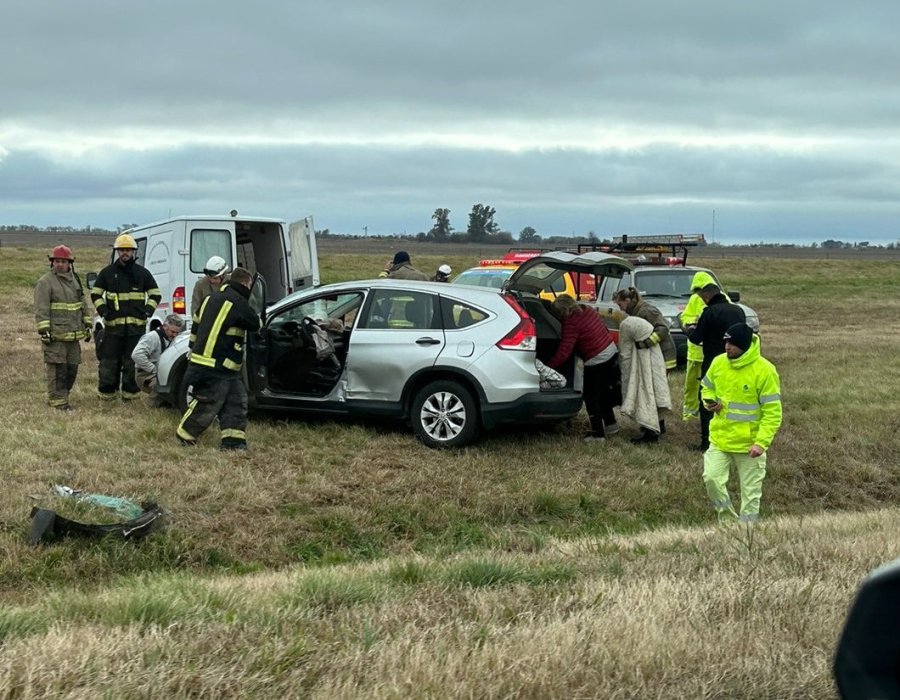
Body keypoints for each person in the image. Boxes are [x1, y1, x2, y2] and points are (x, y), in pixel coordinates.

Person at [700, 322, 782, 524]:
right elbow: (706, 387)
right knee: (711, 479)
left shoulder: (765, 371)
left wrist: (761, 443)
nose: (727, 347)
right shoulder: (718, 363)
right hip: (720, 440)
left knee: (750, 493)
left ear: (744, 346)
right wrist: (710, 401)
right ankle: (727, 521)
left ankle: (748, 530)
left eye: (732, 344)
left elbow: (772, 413)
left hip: (749, 445)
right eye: (726, 342)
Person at [176, 267, 261, 449]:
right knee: (208, 402)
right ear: (245, 284)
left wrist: (192, 349)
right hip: (217, 364)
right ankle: (185, 434)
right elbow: (256, 324)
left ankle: (233, 442)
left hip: (216, 364)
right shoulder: (238, 302)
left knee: (236, 401)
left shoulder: (209, 299)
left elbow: (195, 325)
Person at [91, 233, 162, 401]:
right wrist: (104, 312)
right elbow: (95, 294)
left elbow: (155, 294)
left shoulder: (142, 273)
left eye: (128, 250)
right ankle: (107, 395)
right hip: (112, 329)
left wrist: (147, 312)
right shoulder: (107, 273)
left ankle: (130, 396)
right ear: (117, 251)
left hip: (135, 329)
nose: (125, 253)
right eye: (122, 250)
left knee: (132, 364)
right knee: (109, 363)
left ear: (134, 252)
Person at [545, 294, 621, 441]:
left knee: (590, 397)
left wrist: (549, 367)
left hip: (597, 359)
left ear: (564, 311)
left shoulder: (571, 322)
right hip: (610, 351)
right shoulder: (587, 309)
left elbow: (564, 351)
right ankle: (611, 426)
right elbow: (603, 328)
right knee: (603, 393)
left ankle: (598, 434)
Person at [686, 283, 745, 450]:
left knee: (708, 400)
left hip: (714, 363)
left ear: (706, 297)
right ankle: (734, 436)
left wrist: (690, 329)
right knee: (733, 399)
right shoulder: (738, 310)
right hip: (737, 362)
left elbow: (696, 338)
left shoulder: (710, 312)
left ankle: (707, 442)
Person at [33, 245, 92, 410]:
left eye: (63, 261)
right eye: (56, 261)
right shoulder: (45, 282)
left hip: (73, 336)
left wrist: (87, 324)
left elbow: (82, 304)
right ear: (52, 263)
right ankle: (58, 403)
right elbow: (41, 308)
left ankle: (64, 397)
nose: (59, 264)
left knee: (71, 369)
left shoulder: (75, 280)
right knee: (58, 370)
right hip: (56, 336)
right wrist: (44, 331)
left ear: (69, 263)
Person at [618, 315, 672, 443]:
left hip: (648, 357)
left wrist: (625, 372)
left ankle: (651, 432)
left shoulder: (628, 323)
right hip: (655, 357)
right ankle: (658, 425)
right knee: (653, 391)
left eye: (620, 303)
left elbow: (625, 354)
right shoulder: (640, 320)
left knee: (646, 394)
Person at [680, 271, 718, 421]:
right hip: (695, 352)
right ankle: (690, 413)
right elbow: (685, 317)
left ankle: (710, 412)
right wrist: (692, 322)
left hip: (711, 353)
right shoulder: (694, 299)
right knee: (691, 386)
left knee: (711, 386)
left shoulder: (722, 299)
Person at [611, 287, 677, 370]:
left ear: (627, 301)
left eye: (620, 304)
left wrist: (645, 343)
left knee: (660, 381)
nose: (620, 308)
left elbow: (663, 329)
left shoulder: (647, 311)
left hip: (664, 354)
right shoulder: (636, 311)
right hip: (656, 354)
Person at [131, 313, 185, 399]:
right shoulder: (152, 337)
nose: (175, 335)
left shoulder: (172, 338)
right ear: (165, 326)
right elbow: (136, 355)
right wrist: (154, 369)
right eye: (173, 332)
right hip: (146, 374)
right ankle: (155, 402)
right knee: (164, 388)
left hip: (161, 372)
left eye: (177, 333)